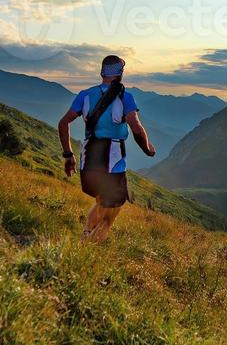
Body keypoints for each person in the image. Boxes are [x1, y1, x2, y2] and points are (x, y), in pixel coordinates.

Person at [57, 54, 155, 241]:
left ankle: (86, 234)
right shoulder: (125, 97)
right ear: (121, 74)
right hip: (113, 159)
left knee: (101, 200)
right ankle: (89, 249)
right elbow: (135, 127)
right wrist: (147, 148)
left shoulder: (84, 95)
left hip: (88, 157)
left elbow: (63, 123)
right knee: (112, 213)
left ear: (102, 72)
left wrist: (68, 155)